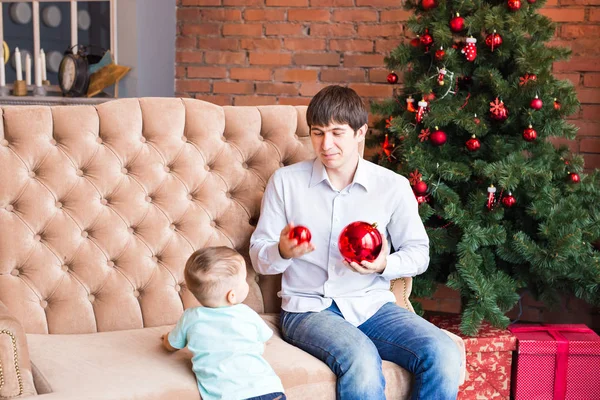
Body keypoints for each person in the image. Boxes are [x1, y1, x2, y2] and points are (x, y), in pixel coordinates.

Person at [249, 85, 461, 400]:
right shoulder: (286, 182)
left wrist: (384, 264)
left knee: (443, 351)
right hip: (309, 308)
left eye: (337, 133)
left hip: (372, 305)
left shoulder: (392, 187)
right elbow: (258, 257)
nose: (326, 144)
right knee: (361, 359)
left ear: (360, 132)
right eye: (318, 133)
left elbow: (419, 254)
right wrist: (282, 251)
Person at [162, 246, 286, 400]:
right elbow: (264, 341)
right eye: (244, 280)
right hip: (268, 389)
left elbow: (171, 345)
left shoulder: (191, 317)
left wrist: (166, 339)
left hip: (225, 395)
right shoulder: (246, 313)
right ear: (231, 296)